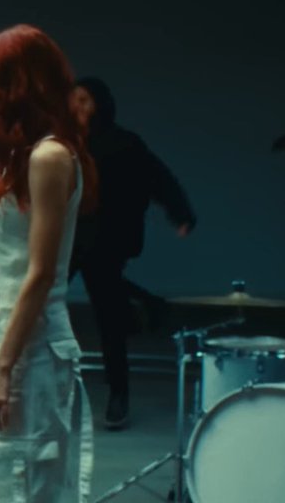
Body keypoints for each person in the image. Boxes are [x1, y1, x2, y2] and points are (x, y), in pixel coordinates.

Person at [0, 24, 98, 503]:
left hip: (32, 353)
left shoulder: (50, 157)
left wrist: (2, 370)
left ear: (20, 88)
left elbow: (40, 274)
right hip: (10, 342)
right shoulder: (23, 157)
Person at [69, 77, 195, 430]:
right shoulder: (65, 143)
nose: (76, 106)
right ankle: (150, 306)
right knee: (67, 295)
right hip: (71, 237)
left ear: (99, 105)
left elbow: (158, 177)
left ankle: (118, 393)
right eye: (72, 100)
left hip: (108, 237)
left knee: (108, 314)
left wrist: (180, 213)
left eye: (84, 100)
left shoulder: (123, 142)